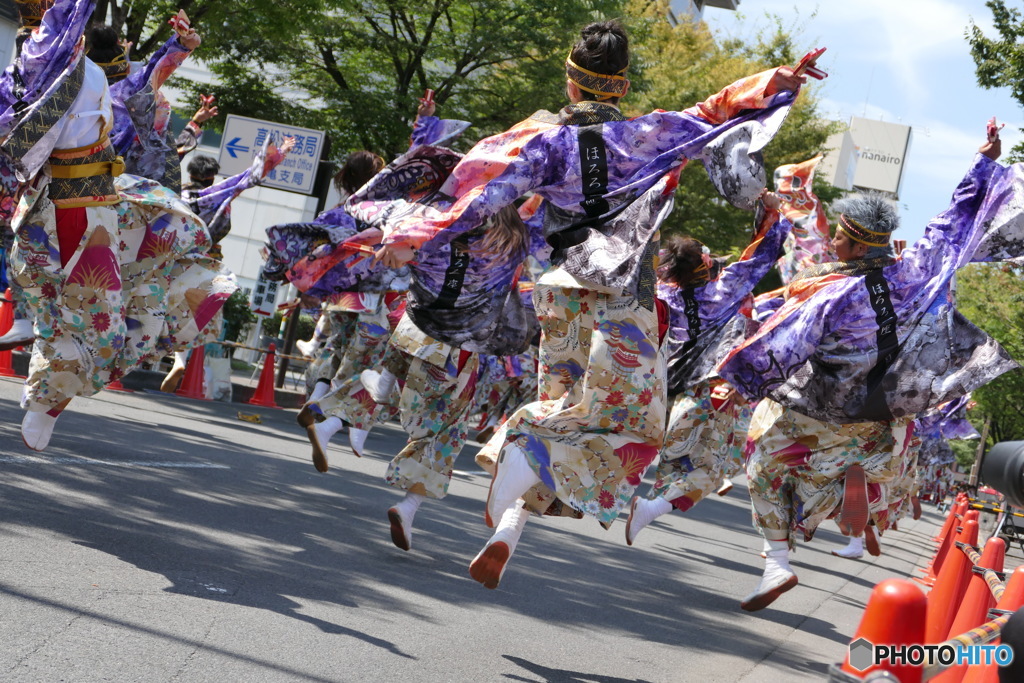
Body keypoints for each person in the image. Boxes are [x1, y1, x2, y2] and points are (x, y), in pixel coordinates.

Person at [355, 20, 806, 588]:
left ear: (571, 83)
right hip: (624, 294)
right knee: (632, 414)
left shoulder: (542, 140)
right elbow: (711, 114)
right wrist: (771, 84)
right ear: (621, 86)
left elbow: (479, 192)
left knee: (565, 399)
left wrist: (419, 233)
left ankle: (508, 525)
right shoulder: (647, 134)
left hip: (564, 287)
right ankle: (516, 454)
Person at [719, 127, 1024, 611]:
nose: (834, 242)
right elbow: (951, 223)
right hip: (885, 406)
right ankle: (851, 491)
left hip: (823, 403)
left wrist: (737, 375)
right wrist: (982, 164)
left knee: (765, 462)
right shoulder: (916, 268)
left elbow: (787, 342)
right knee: (828, 463)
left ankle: (779, 559)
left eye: (839, 236)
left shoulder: (835, 292)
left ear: (859, 247)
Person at [2, 0, 234, 450]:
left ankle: (45, 382)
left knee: (134, 312)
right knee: (105, 326)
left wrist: (176, 50)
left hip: (101, 203)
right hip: (72, 211)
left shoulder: (85, 74)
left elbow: (143, 80)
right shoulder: (55, 72)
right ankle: (45, 395)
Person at [625, 191, 792, 545]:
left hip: (675, 388)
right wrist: (773, 215)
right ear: (705, 266)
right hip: (717, 389)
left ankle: (649, 506)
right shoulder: (723, 292)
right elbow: (760, 257)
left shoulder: (661, 296)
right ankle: (651, 509)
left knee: (674, 462)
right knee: (710, 471)